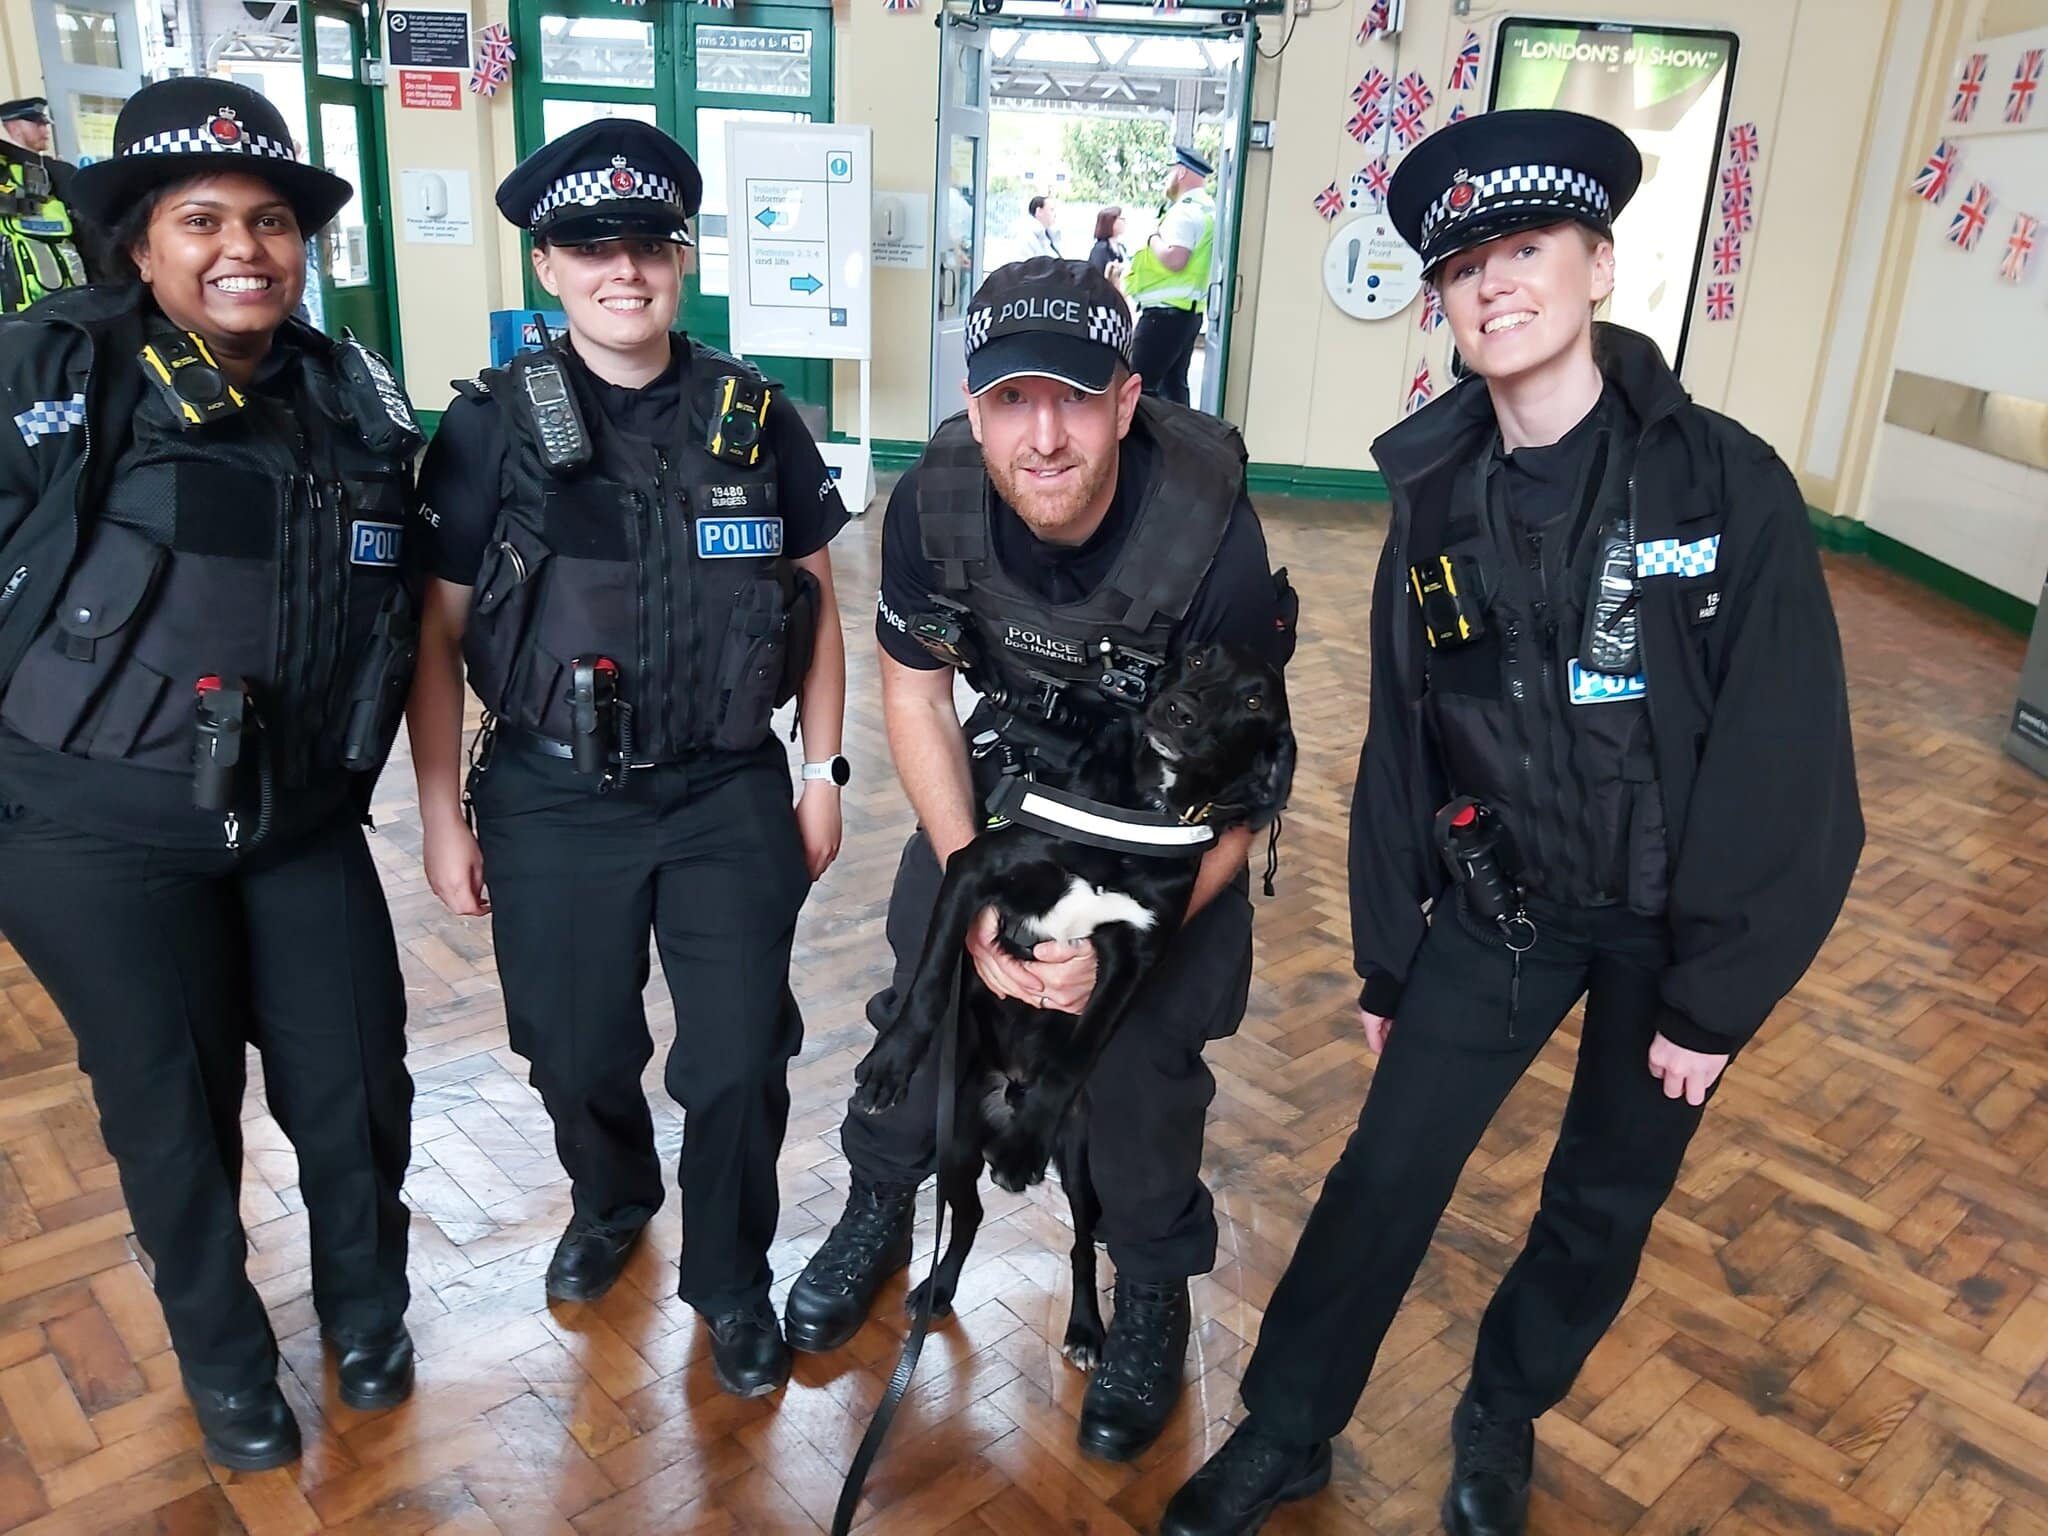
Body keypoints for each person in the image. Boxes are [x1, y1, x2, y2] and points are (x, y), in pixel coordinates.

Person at [1161, 109, 1864, 1536]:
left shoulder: (1725, 486)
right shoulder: (1435, 501)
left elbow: (1787, 759)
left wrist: (1715, 998)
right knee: (1388, 1168)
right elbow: (1406, 739)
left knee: (1603, 1201)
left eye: (1526, 248)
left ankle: (1502, 1409)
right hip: (1503, 907)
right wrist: (1389, 956)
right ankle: (1288, 1427)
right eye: (1463, 263)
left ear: (1598, 264)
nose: (1493, 284)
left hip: (1671, 938)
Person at [783, 256, 1296, 1463]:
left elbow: (1241, 795)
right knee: (923, 991)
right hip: (1016, 789)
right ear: (974, 409)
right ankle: (878, 1207)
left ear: (1125, 399)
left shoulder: (1210, 528)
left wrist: (1117, 945)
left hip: (1170, 820)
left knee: (1140, 1057)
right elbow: (914, 699)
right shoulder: (932, 502)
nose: (1045, 434)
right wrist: (975, 890)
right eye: (1012, 399)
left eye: (1074, 397)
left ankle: (1153, 1282)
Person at [0, 78, 424, 1471]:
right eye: (202, 220)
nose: (243, 247)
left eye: (270, 221)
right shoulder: (53, 365)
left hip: (298, 818)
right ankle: (226, 1361)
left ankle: (367, 1314)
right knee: (172, 1113)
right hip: (95, 828)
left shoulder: (347, 388)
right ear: (139, 242)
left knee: (355, 1087)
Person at [405, 119, 850, 1400]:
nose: (624, 270)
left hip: (724, 794)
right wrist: (441, 814)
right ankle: (610, 1197)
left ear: (678, 257)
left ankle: (730, 1278)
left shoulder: (752, 416)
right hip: (550, 796)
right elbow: (435, 638)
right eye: (591, 247)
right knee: (572, 1046)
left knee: (739, 1056)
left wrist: (821, 774)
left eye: (647, 244)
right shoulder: (491, 427)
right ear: (548, 265)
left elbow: (814, 606)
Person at [1124, 146, 1215, 407]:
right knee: (1174, 388)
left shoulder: (1184, 212)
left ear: (1181, 172)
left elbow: (1176, 258)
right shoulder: (1208, 209)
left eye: (1171, 172)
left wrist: (1152, 238)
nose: (1168, 179)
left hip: (1164, 316)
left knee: (1138, 388)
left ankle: (1141, 447)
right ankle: (1179, 445)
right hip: (1188, 313)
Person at [0, 95, 104, 311]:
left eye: (44, 122)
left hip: (72, 298)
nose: (44, 129)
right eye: (36, 123)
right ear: (13, 127)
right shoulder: (7, 171)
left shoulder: (58, 172)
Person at [1086, 205, 1127, 283]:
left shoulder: (1121, 247)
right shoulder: (1100, 249)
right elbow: (1095, 277)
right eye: (1121, 219)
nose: (1124, 221)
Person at [1017, 193, 1061, 260]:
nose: (1055, 214)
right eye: (1051, 210)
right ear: (1039, 211)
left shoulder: (1049, 236)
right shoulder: (1028, 237)